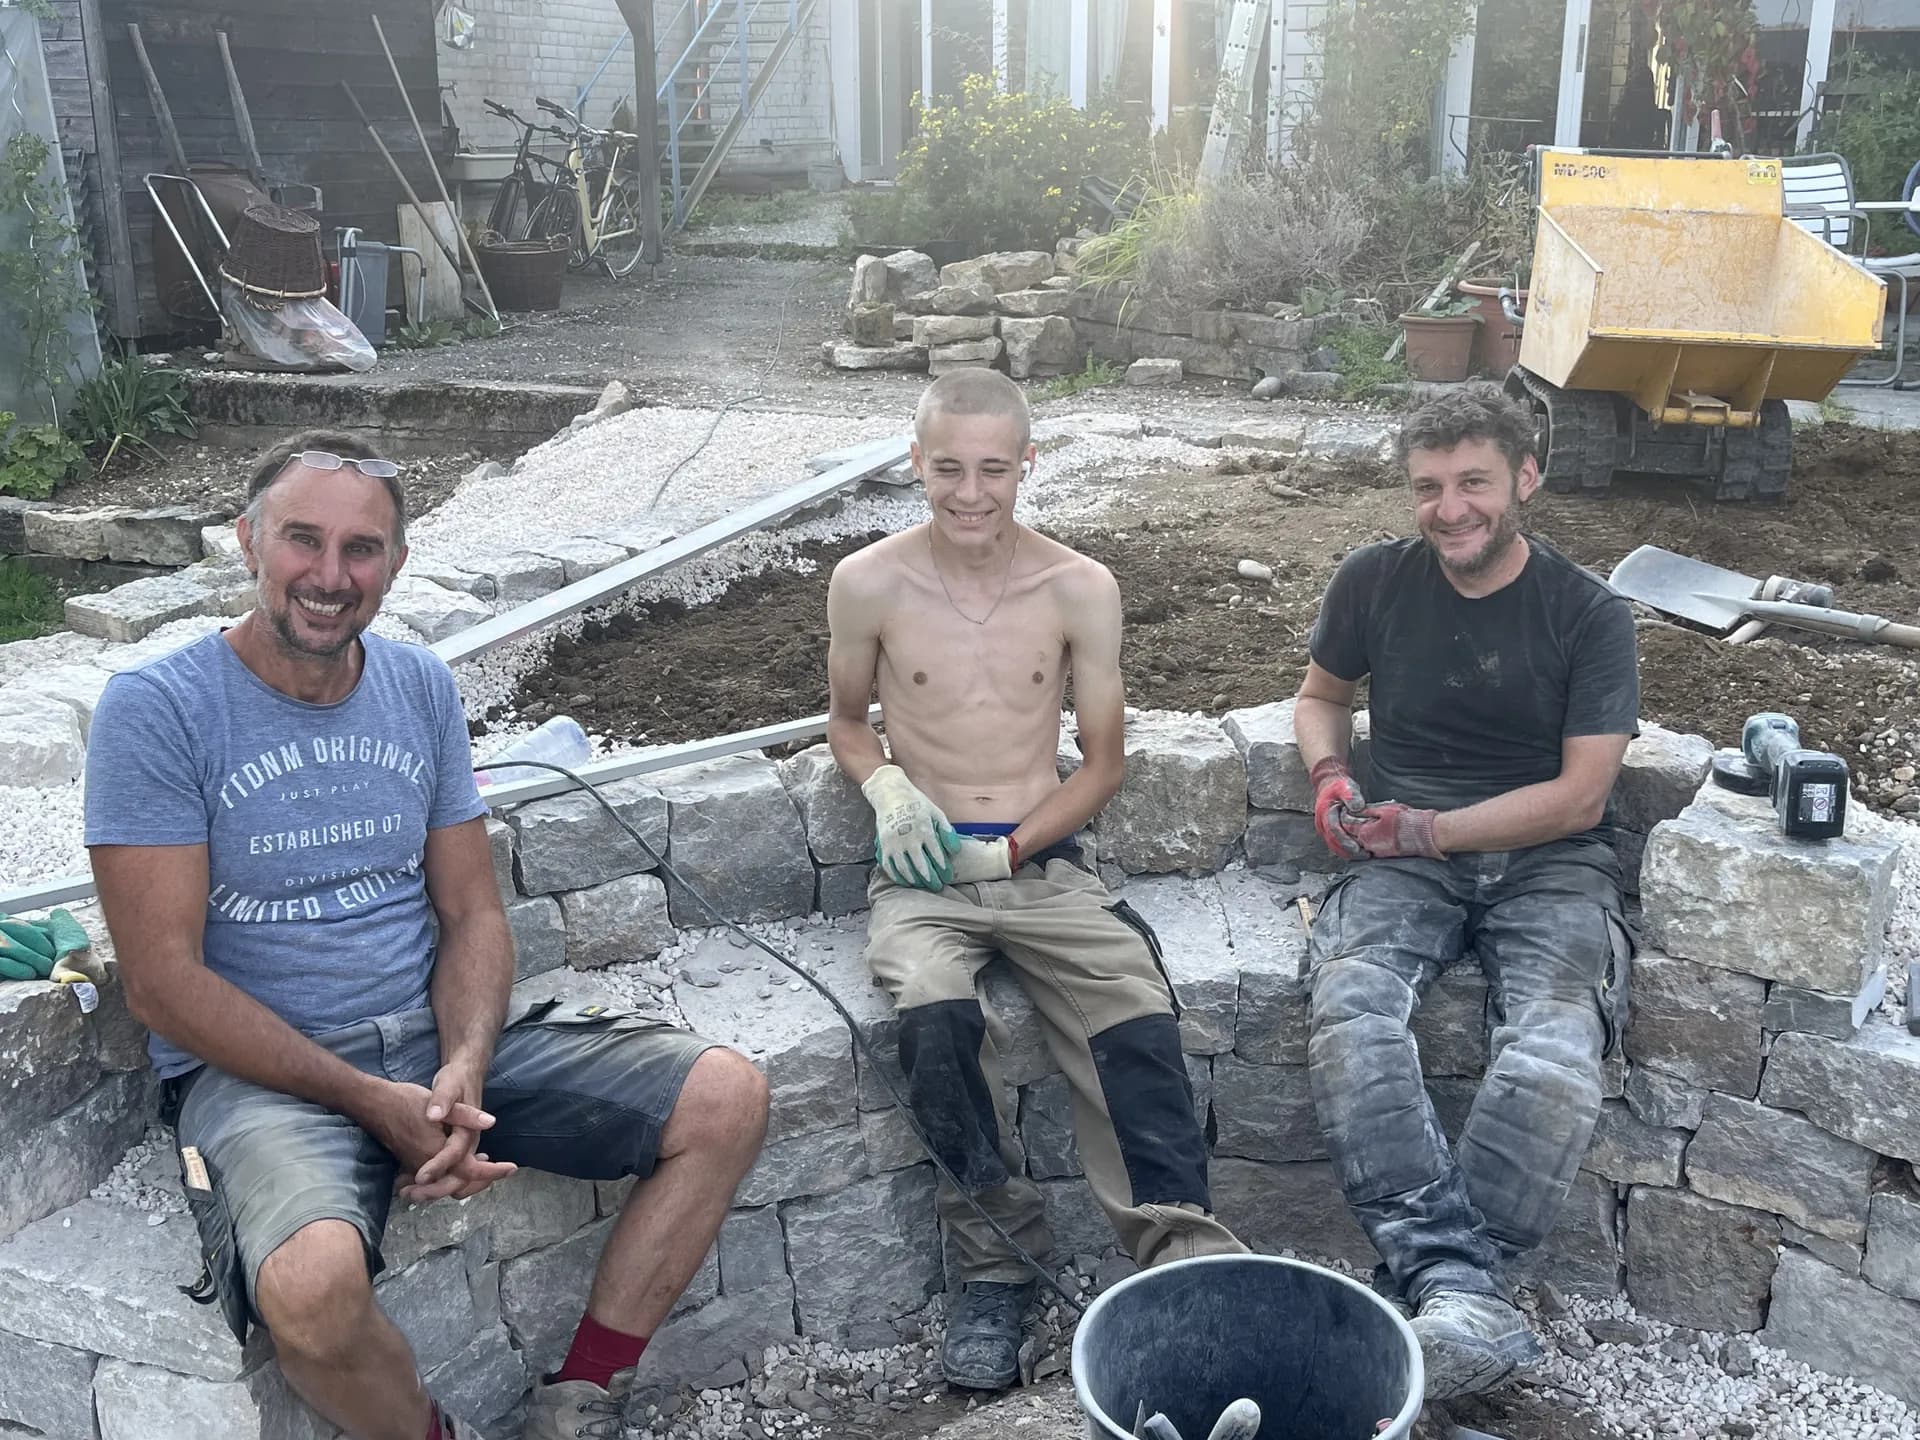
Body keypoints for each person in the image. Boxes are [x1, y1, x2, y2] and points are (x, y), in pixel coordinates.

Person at [83, 430, 769, 1440]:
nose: (329, 575)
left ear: (396, 566)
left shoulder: (415, 687)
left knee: (726, 1096)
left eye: (362, 549)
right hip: (263, 1074)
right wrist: (371, 1100)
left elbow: (471, 912)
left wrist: (463, 1065)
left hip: (425, 1034)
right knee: (310, 1289)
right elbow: (162, 983)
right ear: (245, 543)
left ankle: (579, 1401)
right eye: (301, 540)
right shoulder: (159, 711)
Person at [825, 370, 1245, 1392]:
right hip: (921, 874)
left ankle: (1185, 1267)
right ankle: (996, 1268)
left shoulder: (1078, 588)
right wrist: (886, 787)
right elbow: (845, 718)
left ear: (1027, 466)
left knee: (1134, 1020)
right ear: (915, 462)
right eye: (949, 468)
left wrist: (1008, 851)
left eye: (994, 470)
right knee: (931, 1015)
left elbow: (1102, 763)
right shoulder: (867, 582)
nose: (971, 493)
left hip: (1041, 861)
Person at [1293, 385, 1639, 1399]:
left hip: (1550, 864)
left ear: (1526, 479)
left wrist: (1430, 828)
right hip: (1404, 858)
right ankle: (1463, 1293)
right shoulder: (1374, 582)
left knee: (1555, 1047)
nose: (1450, 509)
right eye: (1429, 487)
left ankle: (1444, 1284)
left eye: (1474, 482)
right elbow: (1321, 698)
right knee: (1353, 1010)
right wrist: (1330, 776)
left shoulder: (1589, 613)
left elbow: (1580, 798)